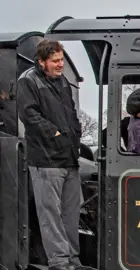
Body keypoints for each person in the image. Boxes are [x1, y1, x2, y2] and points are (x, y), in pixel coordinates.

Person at [16, 39, 94, 270]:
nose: (60, 64)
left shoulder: (63, 82)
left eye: (61, 59)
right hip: (46, 160)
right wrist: (56, 134)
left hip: (69, 159)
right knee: (50, 215)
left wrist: (75, 134)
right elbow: (29, 115)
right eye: (55, 61)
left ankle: (73, 259)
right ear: (41, 62)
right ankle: (59, 262)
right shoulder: (28, 81)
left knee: (71, 213)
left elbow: (71, 114)